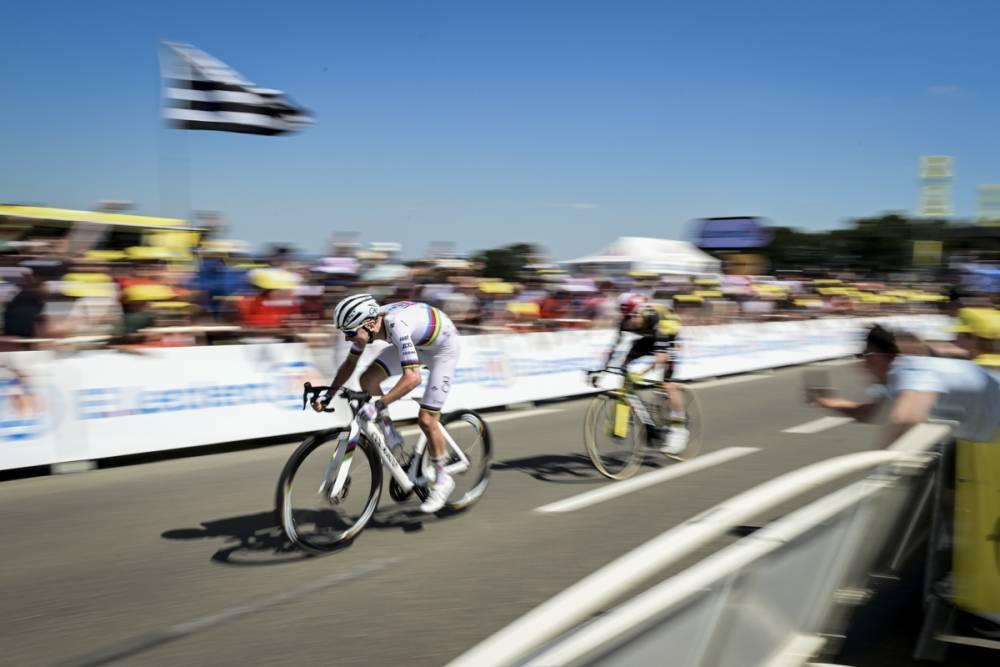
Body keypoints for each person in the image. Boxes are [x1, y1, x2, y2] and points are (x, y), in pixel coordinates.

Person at [315, 294, 461, 513]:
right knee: (367, 379)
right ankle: (390, 432)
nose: (347, 338)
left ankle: (443, 478)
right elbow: (349, 365)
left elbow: (413, 378)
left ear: (371, 324)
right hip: (417, 342)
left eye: (350, 333)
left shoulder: (394, 324)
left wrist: (379, 405)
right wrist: (328, 395)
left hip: (442, 349)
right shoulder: (370, 322)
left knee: (427, 419)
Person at [809, 324, 1000, 448]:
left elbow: (906, 418)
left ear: (875, 358)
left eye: (863, 358)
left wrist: (879, 467)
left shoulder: (907, 369)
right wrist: (828, 402)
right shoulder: (902, 373)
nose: (861, 367)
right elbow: (871, 413)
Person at [601, 294, 688, 454]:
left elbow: (660, 355)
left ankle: (679, 429)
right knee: (623, 367)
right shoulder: (625, 323)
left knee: (668, 385)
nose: (631, 320)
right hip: (649, 339)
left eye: (634, 315)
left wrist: (645, 369)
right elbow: (615, 347)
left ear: (642, 312)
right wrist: (603, 370)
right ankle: (636, 424)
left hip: (669, 337)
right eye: (627, 316)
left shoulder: (654, 315)